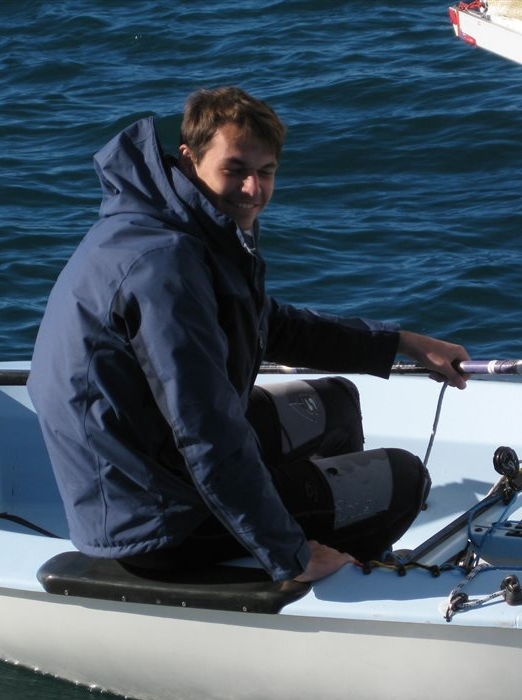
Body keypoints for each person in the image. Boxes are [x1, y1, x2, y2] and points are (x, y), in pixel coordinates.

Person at [28, 86, 469, 584]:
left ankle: (316, 535)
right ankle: (319, 578)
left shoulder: (184, 222)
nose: (253, 189)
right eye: (235, 169)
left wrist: (399, 344)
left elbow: (267, 323)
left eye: (266, 171)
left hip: (155, 460)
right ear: (190, 158)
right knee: (402, 480)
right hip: (157, 518)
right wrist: (291, 553)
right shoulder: (163, 266)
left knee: (338, 403)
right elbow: (206, 433)